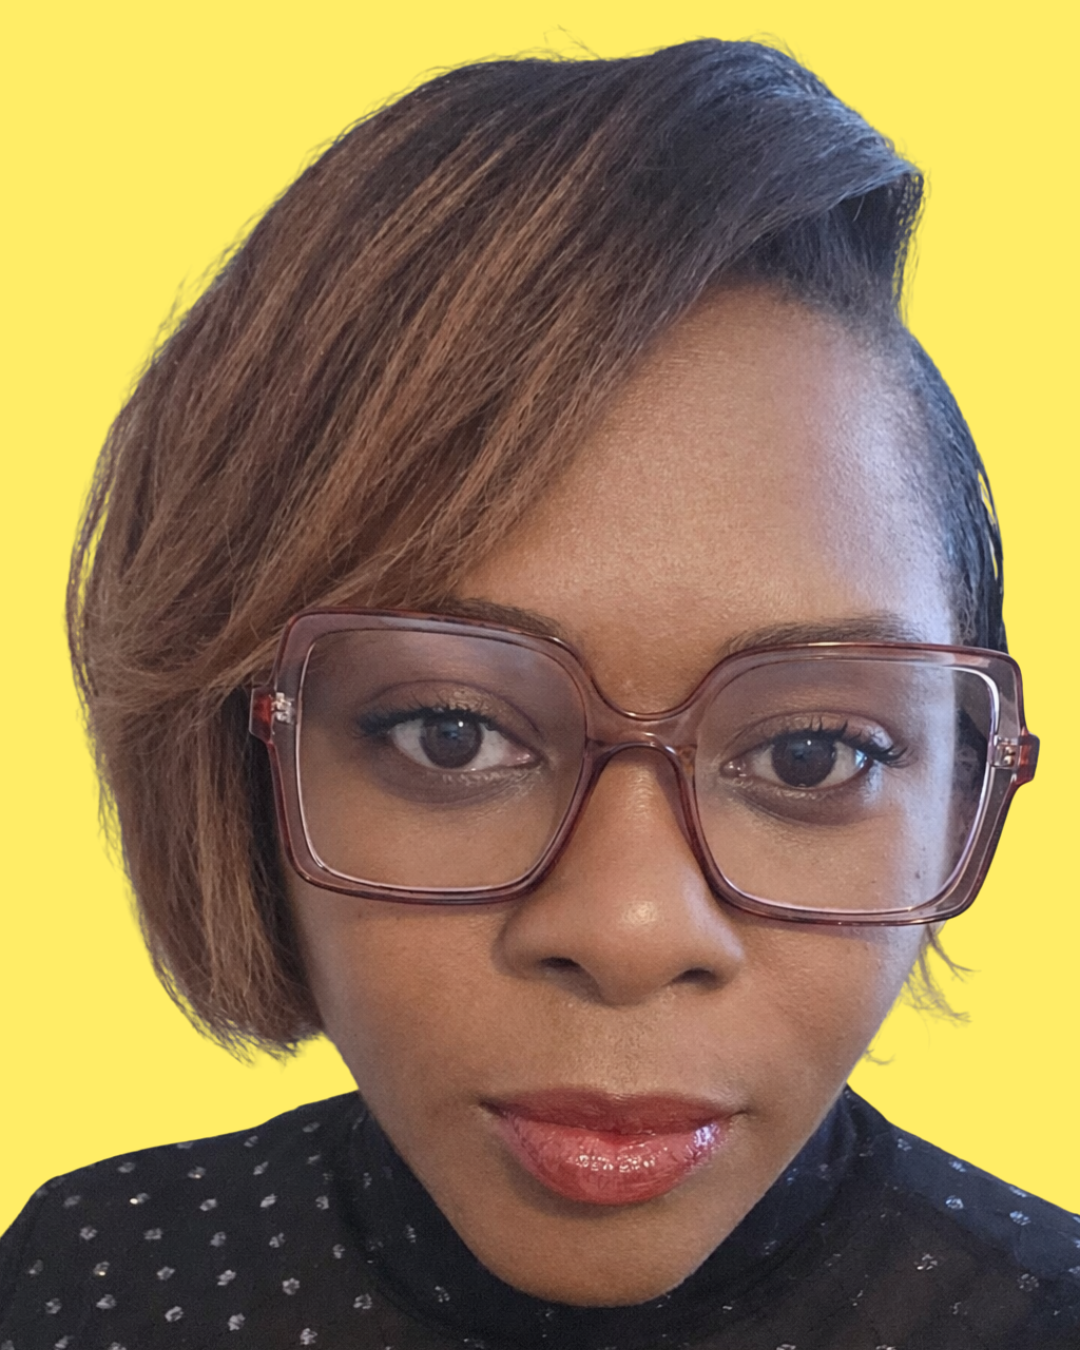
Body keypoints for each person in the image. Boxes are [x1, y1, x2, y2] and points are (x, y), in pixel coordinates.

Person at [1, 37, 1076, 1349]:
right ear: (247, 749)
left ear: (968, 783)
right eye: (448, 731)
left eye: (812, 753)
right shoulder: (84, 1281)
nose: (628, 927)